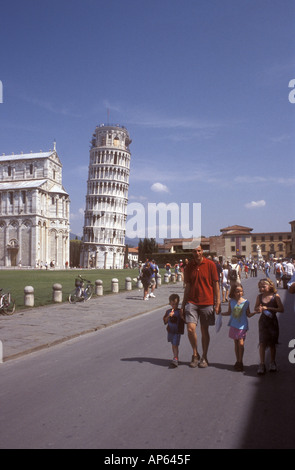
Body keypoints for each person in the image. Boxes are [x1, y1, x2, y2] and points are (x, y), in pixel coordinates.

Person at [181, 244, 221, 368]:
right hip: (192, 302)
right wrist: (183, 304)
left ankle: (204, 356)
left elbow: (216, 284)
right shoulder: (189, 266)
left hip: (207, 302)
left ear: (202, 251)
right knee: (190, 329)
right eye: (194, 251)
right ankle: (195, 354)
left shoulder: (210, 265)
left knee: (204, 330)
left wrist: (218, 302)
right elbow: (187, 286)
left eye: (199, 251)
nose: (197, 253)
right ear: (192, 252)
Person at [222, 283, 256, 371]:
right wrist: (220, 314)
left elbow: (248, 314)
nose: (239, 293)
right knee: (236, 344)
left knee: (241, 343)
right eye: (237, 291)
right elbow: (229, 312)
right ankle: (237, 361)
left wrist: (256, 312)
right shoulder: (231, 301)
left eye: (241, 291)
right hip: (233, 325)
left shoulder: (246, 302)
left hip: (242, 326)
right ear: (233, 292)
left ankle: (241, 361)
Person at [254, 278, 284, 374]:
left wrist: (269, 308)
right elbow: (255, 307)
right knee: (262, 343)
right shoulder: (259, 297)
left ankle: (272, 362)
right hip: (263, 322)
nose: (262, 288)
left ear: (270, 286)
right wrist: (258, 309)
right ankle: (262, 364)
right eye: (260, 287)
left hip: (273, 322)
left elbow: (281, 309)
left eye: (264, 286)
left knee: (272, 343)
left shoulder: (276, 296)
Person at [163, 294, 184, 368]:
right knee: (173, 344)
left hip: (177, 331)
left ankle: (175, 358)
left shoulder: (179, 311)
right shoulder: (168, 311)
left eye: (176, 304)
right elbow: (165, 321)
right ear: (170, 303)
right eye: (173, 304)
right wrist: (169, 316)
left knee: (175, 344)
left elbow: (184, 319)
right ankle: (176, 357)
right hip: (170, 331)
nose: (174, 305)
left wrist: (182, 315)